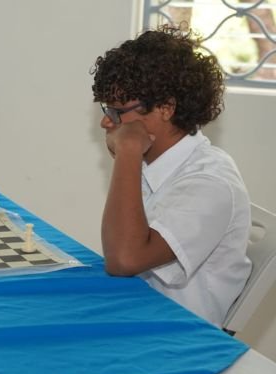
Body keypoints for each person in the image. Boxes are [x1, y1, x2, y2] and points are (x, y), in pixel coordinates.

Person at [90, 25, 251, 328]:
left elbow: (124, 259)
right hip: (136, 314)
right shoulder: (154, 161)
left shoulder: (210, 183)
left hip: (174, 336)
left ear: (166, 108)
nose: (105, 121)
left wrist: (127, 152)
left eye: (117, 111)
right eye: (106, 109)